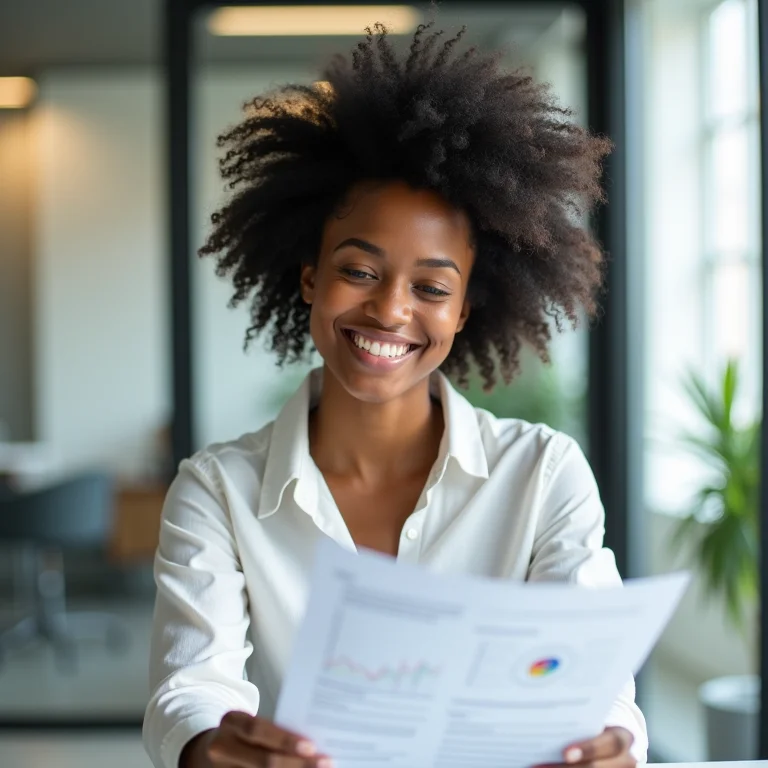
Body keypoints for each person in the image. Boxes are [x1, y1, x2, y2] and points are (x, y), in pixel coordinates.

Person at [143, 18, 647, 768]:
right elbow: (190, 686)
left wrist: (607, 743)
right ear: (310, 278)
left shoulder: (543, 474)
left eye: (432, 288)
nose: (389, 310)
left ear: (464, 310)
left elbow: (595, 682)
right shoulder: (217, 490)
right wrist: (212, 745)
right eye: (358, 271)